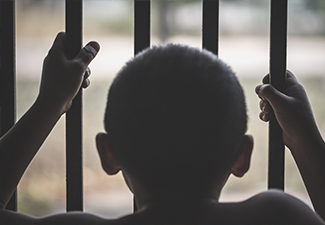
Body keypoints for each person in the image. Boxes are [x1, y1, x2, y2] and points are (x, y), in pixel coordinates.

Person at [0, 32, 324, 225]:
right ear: (243, 156)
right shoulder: (276, 216)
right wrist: (303, 137)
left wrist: (50, 104)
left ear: (108, 154)